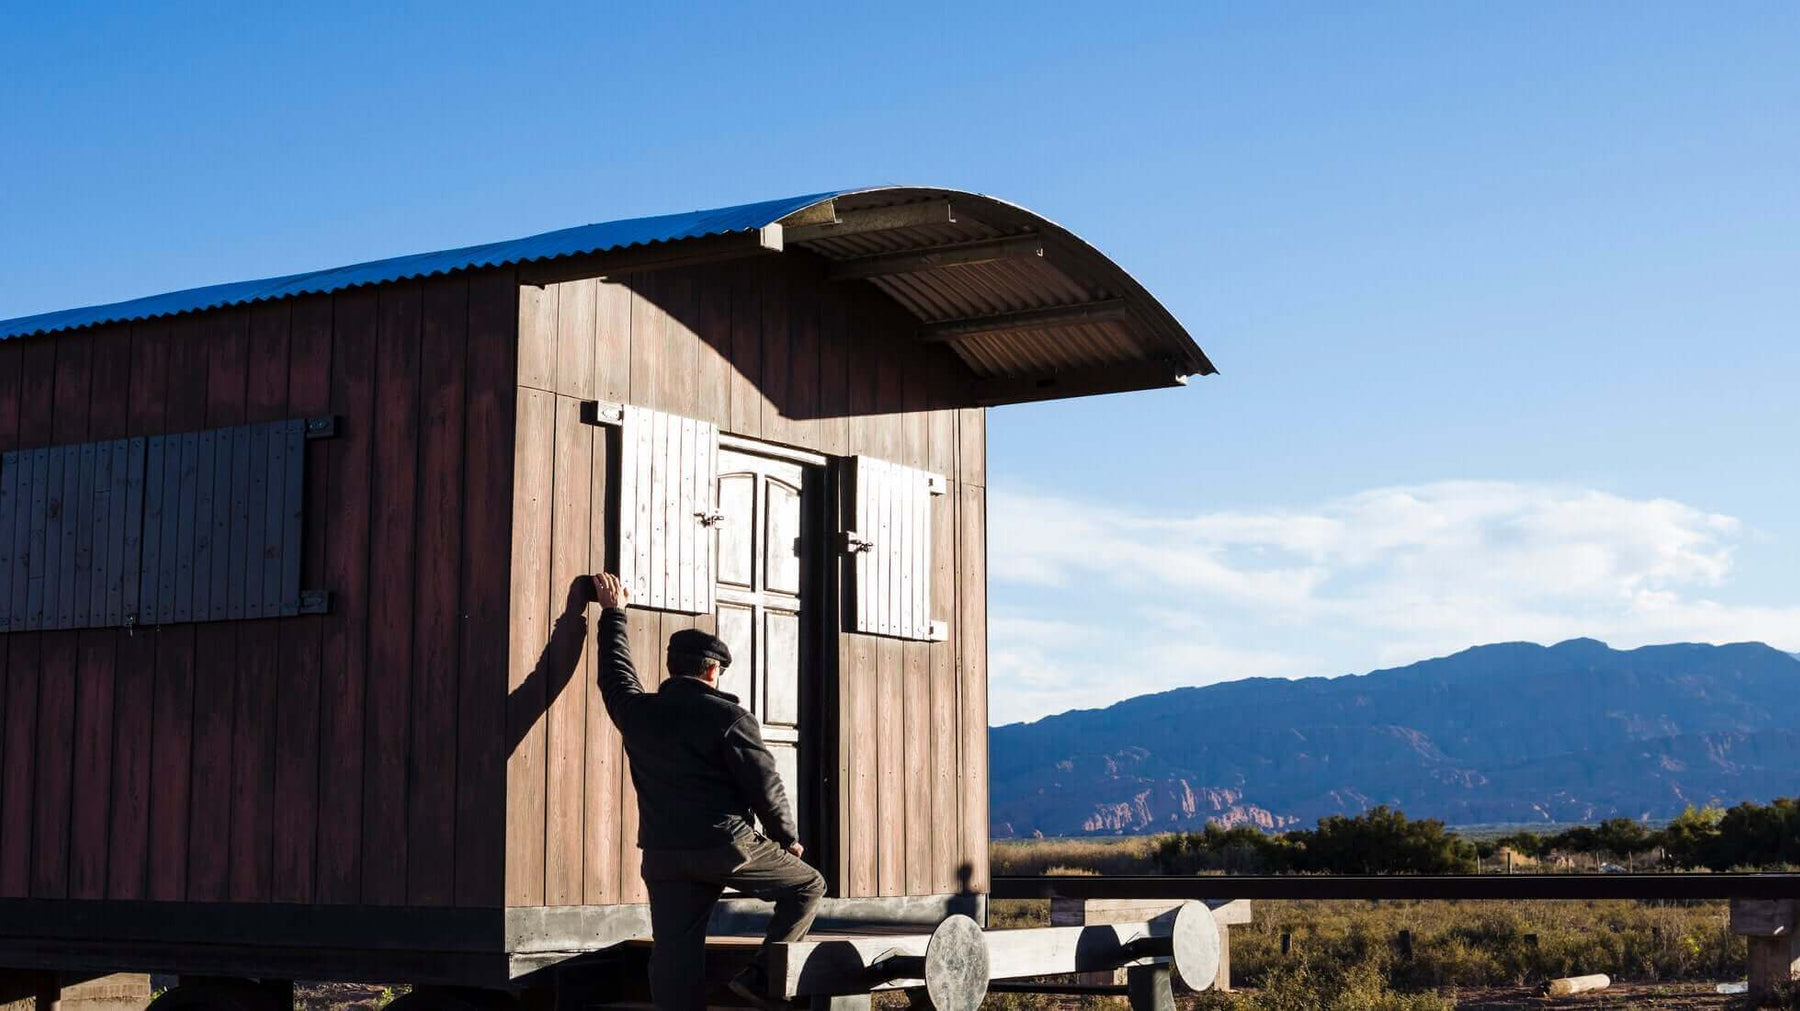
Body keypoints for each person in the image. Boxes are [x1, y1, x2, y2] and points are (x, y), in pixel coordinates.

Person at [591, 572, 824, 1011]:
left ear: (671, 667)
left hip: (664, 854)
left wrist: (613, 615)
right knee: (809, 885)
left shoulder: (638, 712)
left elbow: (615, 675)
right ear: (713, 670)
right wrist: (786, 838)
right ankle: (759, 979)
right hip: (727, 846)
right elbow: (764, 785)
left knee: (675, 953)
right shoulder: (730, 718)